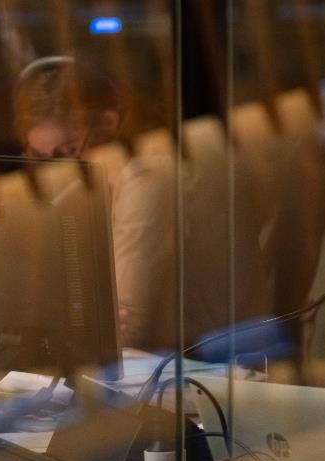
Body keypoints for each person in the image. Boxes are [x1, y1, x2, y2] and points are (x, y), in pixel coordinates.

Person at [14, 56, 270, 351]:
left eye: (69, 150)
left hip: (205, 367)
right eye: (44, 158)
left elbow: (125, 329)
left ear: (109, 124)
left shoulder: (147, 176)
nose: (59, 172)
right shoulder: (113, 180)